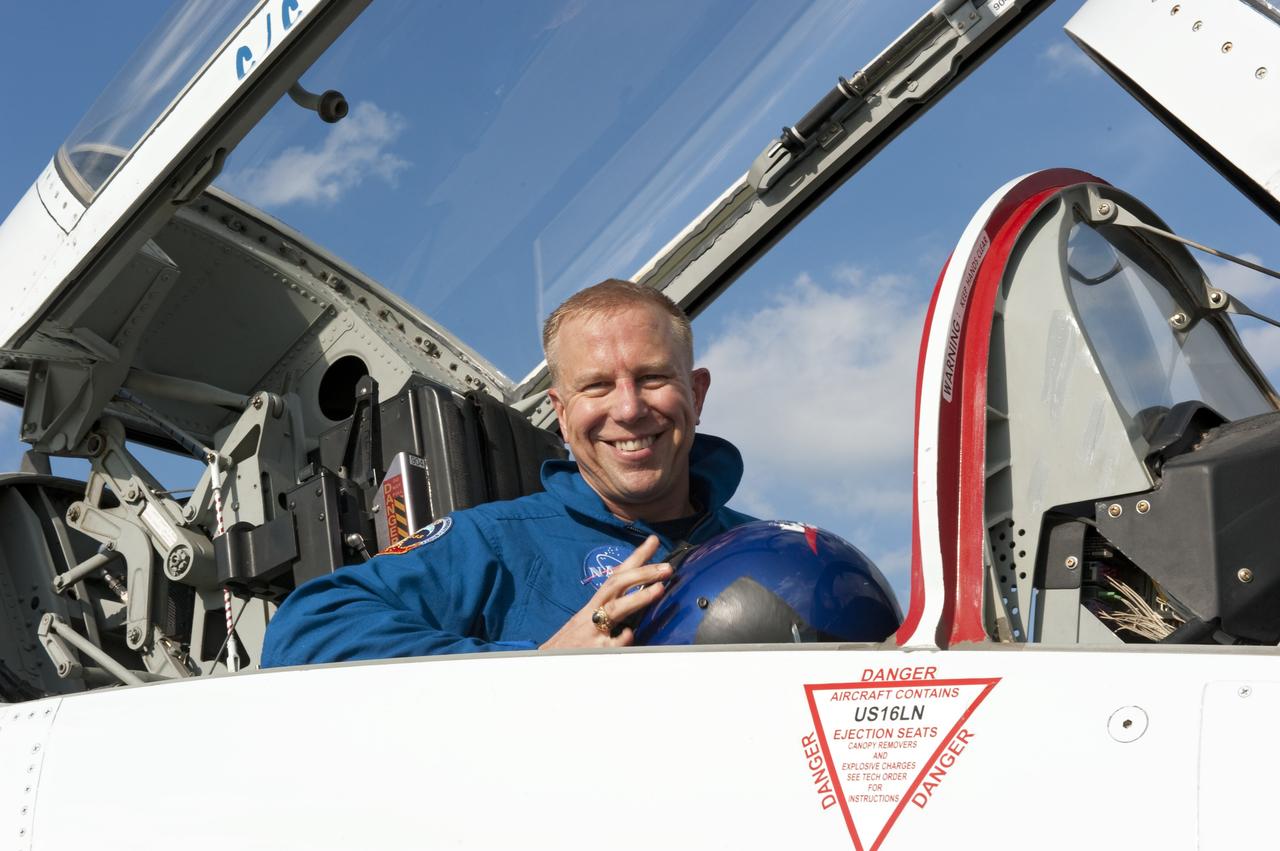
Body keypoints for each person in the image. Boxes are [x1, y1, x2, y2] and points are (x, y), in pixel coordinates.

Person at [260, 279, 754, 665]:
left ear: (697, 392)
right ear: (561, 413)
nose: (628, 409)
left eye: (652, 378)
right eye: (597, 387)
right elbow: (304, 632)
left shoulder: (767, 549)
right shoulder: (494, 542)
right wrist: (537, 664)